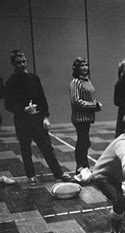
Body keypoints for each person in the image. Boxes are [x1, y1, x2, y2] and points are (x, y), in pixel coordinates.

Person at [4, 49, 73, 186]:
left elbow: (42, 99)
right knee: (25, 149)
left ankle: (58, 173)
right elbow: (8, 105)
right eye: (18, 63)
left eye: (24, 62)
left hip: (37, 119)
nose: (22, 65)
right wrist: (23, 109)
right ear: (13, 64)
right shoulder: (11, 82)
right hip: (22, 121)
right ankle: (31, 176)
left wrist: (46, 117)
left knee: (47, 147)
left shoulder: (34, 78)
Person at [69, 57, 102, 180]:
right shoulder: (75, 82)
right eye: (82, 65)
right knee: (83, 142)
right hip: (80, 118)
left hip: (87, 118)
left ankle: (84, 165)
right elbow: (76, 101)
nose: (85, 68)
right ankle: (80, 167)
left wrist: (95, 105)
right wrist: (93, 105)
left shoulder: (86, 80)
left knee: (85, 142)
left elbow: (88, 97)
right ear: (77, 68)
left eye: (86, 65)